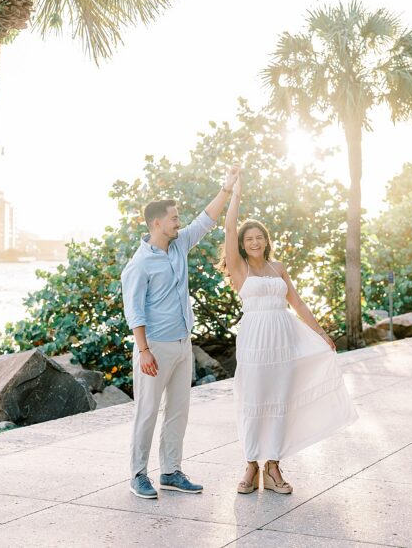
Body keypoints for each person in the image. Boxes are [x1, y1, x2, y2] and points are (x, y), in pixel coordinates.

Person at [222, 170, 357, 495]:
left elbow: (296, 302)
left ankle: (273, 467)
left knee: (279, 402)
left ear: (266, 240)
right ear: (241, 244)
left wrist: (322, 334)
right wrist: (235, 193)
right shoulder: (240, 268)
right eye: (248, 238)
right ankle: (251, 464)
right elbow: (227, 226)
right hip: (255, 340)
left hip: (282, 341)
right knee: (253, 401)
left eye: (259, 237)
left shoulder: (278, 268)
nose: (254, 242)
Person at [121, 166, 240, 499]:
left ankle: (171, 471)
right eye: (174, 218)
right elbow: (135, 311)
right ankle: (138, 474)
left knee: (178, 411)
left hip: (182, 343)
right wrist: (144, 351)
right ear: (157, 223)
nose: (179, 222)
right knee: (146, 412)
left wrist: (226, 189)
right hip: (154, 349)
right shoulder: (139, 264)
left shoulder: (179, 245)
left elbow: (206, 220)